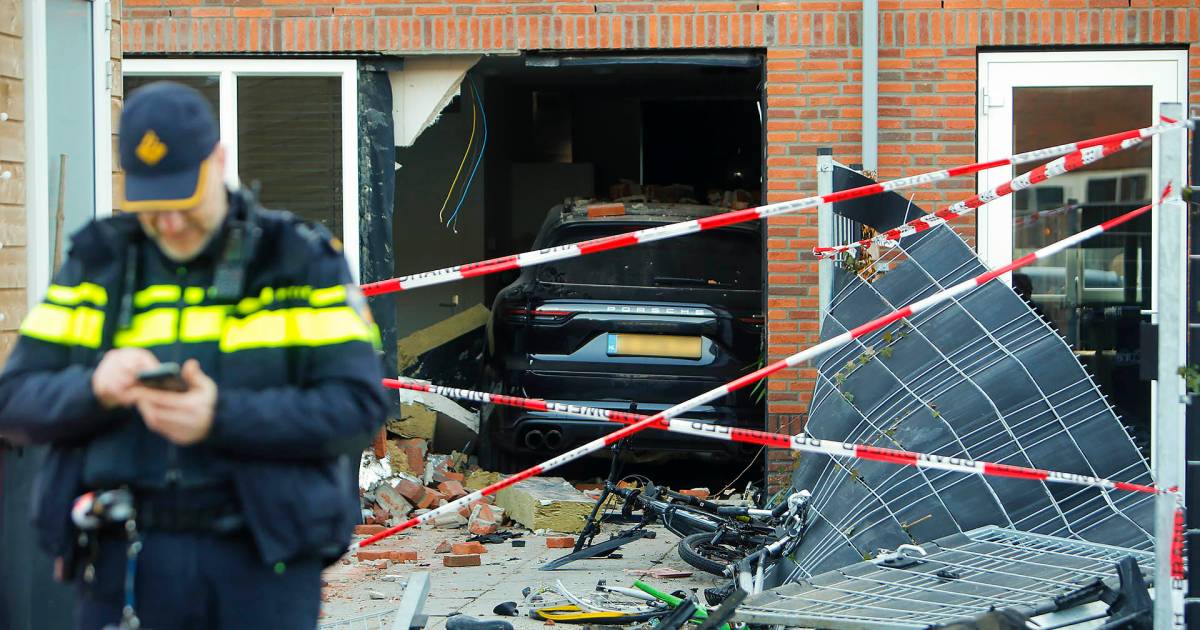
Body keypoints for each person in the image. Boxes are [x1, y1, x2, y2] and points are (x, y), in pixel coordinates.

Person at [0, 81, 387, 629]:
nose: (171, 223)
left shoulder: (299, 261)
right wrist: (94, 389)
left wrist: (219, 417)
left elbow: (356, 410)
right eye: (152, 205)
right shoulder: (98, 261)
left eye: (184, 198)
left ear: (219, 160)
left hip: (260, 564)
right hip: (122, 559)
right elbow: (12, 401)